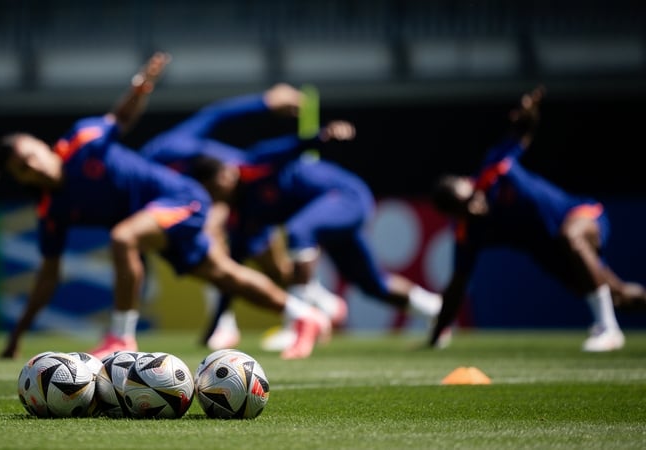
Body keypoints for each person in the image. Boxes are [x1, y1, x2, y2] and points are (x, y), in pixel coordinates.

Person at [0, 52, 331, 361]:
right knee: (225, 276)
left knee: (123, 237)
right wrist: (17, 333)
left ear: (43, 146)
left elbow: (121, 118)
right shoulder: (50, 210)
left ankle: (121, 338)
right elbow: (47, 276)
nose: (35, 166)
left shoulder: (82, 142)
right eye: (24, 168)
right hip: (157, 220)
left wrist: (141, 84)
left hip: (180, 198)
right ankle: (303, 315)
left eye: (32, 156)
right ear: (22, 179)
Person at [141, 86, 444, 351]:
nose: (218, 188)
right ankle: (437, 310)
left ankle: (298, 324)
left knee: (300, 231)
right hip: (328, 212)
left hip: (345, 196)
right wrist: (213, 328)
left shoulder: (252, 166)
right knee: (372, 284)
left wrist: (325, 135)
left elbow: (293, 146)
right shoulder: (244, 219)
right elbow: (231, 278)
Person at [427, 86, 646, 352]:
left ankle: (608, 329)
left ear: (468, 183)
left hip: (580, 216)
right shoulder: (468, 232)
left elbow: (522, 133)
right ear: (453, 215)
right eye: (464, 209)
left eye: (471, 198)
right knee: (620, 297)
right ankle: (610, 319)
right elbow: (457, 285)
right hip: (551, 252)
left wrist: (529, 113)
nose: (474, 208)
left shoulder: (495, 169)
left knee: (571, 236)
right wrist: (437, 334)